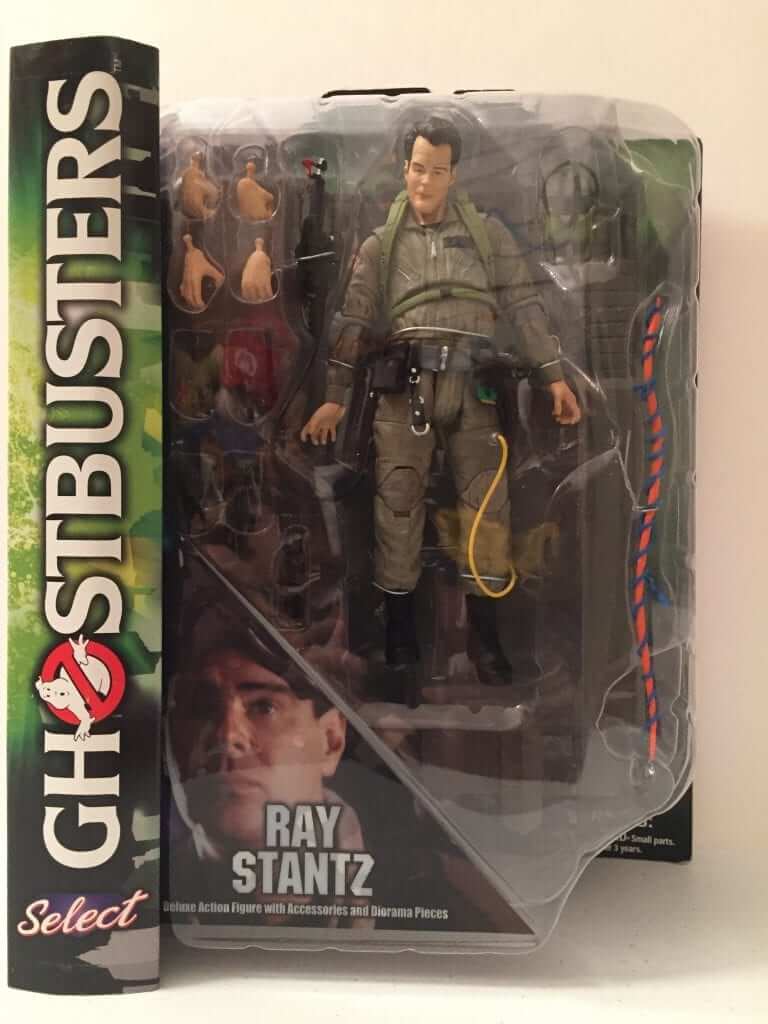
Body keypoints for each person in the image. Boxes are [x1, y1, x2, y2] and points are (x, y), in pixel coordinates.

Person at [301, 115, 581, 681]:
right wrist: (334, 397)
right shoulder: (381, 246)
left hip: (474, 389)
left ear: (454, 175)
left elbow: (525, 307)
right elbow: (353, 322)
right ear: (404, 168)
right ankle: (399, 638)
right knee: (397, 509)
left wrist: (553, 377)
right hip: (405, 392)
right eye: (418, 168)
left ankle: (486, 638)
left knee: (487, 510)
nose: (425, 181)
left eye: (437, 170)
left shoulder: (488, 237)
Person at [167, 604, 370, 927]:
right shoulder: (135, 897)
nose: (228, 735)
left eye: (264, 707)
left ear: (331, 740)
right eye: (201, 705)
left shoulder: (428, 889)